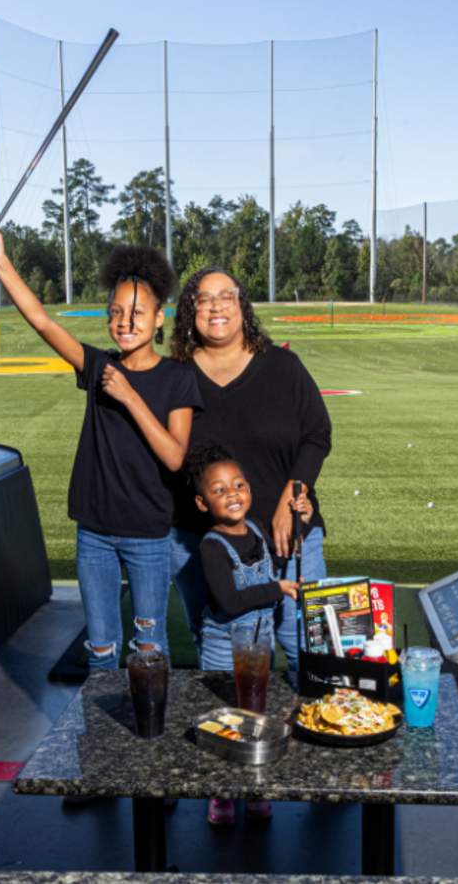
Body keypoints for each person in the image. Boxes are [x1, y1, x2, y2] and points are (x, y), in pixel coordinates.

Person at [0, 221, 202, 669]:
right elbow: (42, 321)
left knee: (150, 649)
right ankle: (102, 736)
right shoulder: (98, 364)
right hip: (95, 531)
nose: (125, 322)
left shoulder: (178, 378)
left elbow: (176, 456)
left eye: (138, 313)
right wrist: (1, 262)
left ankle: (147, 733)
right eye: (116, 312)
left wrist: (129, 396)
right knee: (100, 648)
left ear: (159, 318)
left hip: (148, 535)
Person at [170, 267, 331, 681]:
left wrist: (289, 497)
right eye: (203, 299)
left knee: (308, 651)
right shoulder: (175, 376)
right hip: (203, 545)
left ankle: (312, 737)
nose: (216, 306)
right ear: (191, 311)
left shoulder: (283, 367)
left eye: (226, 295)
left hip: (288, 536)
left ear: (242, 303)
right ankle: (238, 741)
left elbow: (317, 434)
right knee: (227, 658)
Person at [185, 444, 310, 825]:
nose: (232, 494)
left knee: (257, 719)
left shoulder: (256, 528)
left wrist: (301, 520)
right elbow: (230, 600)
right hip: (226, 648)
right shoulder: (211, 547)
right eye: (219, 490)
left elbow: (283, 556)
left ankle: (255, 790)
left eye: (238, 485)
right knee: (228, 725)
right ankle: (221, 793)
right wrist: (279, 589)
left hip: (259, 646)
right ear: (203, 503)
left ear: (250, 490)